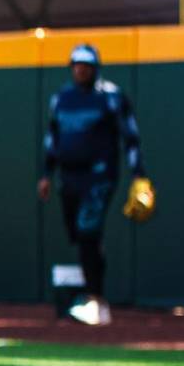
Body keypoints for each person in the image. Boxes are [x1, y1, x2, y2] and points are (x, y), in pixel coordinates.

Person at [37, 44, 147, 326]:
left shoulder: (111, 97)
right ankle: (92, 296)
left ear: (95, 67)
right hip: (68, 177)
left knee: (88, 232)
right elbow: (52, 137)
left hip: (99, 177)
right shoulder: (62, 99)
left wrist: (139, 176)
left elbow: (130, 138)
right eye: (76, 64)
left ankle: (97, 300)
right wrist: (46, 174)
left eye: (85, 64)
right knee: (79, 235)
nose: (80, 69)